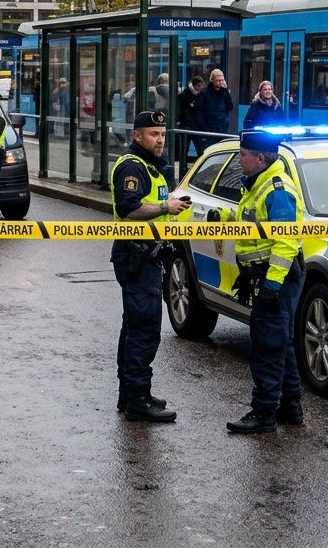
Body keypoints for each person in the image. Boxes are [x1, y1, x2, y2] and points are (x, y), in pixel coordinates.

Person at [208, 130, 304, 434]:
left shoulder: (277, 189)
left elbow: (286, 243)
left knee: (267, 344)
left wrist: (272, 287)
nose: (239, 159)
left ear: (260, 158)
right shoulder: (257, 184)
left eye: (243, 154)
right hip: (266, 276)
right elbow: (252, 224)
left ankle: (263, 412)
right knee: (281, 341)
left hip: (277, 277)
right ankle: (290, 406)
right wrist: (223, 218)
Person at [109, 110, 189, 423]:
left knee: (134, 325)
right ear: (137, 136)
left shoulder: (150, 167)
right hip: (137, 255)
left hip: (145, 254)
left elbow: (151, 202)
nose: (160, 140)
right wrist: (165, 206)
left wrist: (171, 203)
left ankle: (130, 394)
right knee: (143, 328)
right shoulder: (132, 165)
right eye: (153, 134)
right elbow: (129, 209)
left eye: (162, 134)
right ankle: (138, 400)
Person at [196, 69, 234, 138]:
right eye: (218, 80)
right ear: (212, 80)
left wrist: (226, 91)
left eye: (222, 80)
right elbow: (198, 114)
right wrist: (205, 130)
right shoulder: (204, 94)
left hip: (222, 129)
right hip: (209, 129)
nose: (221, 82)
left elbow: (230, 107)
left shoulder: (224, 93)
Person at [178, 76, 205, 158]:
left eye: (201, 86)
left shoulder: (201, 95)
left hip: (196, 126)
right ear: (193, 85)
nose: (200, 88)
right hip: (187, 125)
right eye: (198, 86)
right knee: (184, 150)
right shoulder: (185, 95)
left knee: (201, 151)